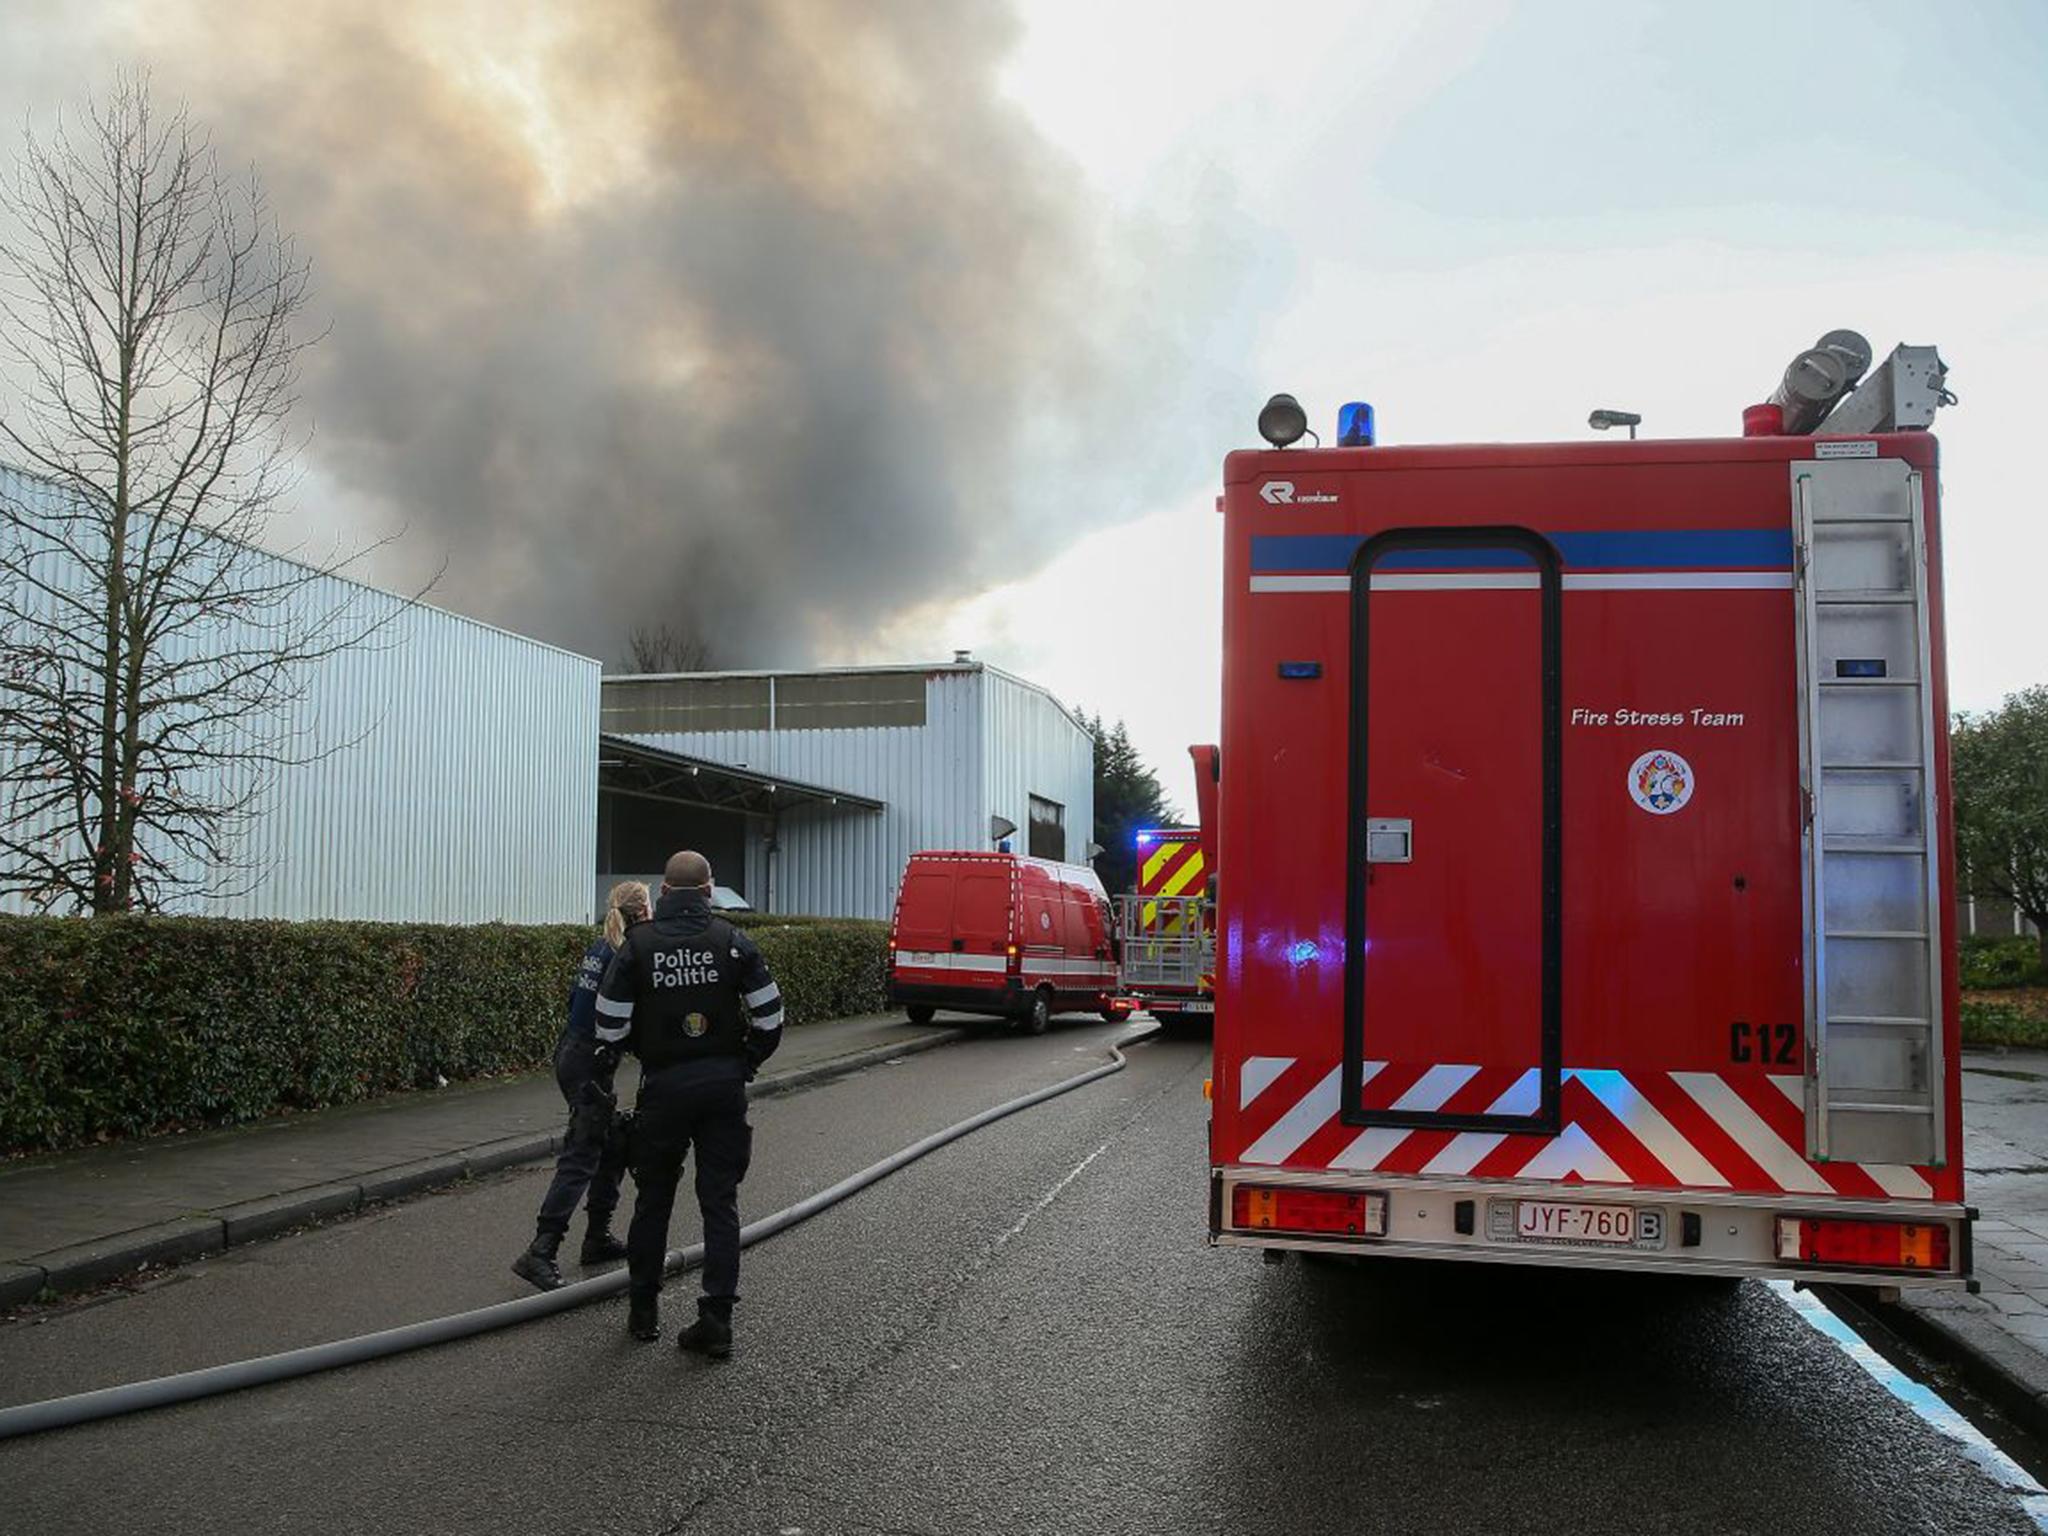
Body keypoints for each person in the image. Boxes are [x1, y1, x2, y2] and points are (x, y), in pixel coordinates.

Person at [594, 849, 783, 1356]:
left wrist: (644, 1049)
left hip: (664, 1090)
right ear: (708, 891)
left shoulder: (638, 946)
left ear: (663, 894)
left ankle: (643, 1310)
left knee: (653, 1199)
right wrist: (744, 1064)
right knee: (719, 1204)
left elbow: (607, 1026)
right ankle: (716, 1319)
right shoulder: (733, 942)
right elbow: (770, 1017)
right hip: (723, 1089)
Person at [511, 880, 649, 1292]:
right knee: (583, 1151)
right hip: (590, 1059)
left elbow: (577, 1002)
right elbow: (625, 1018)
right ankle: (540, 1250)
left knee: (613, 1141)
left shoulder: (601, 944)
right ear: (642, 911)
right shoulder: (624, 953)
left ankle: (597, 1237)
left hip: (574, 1053)